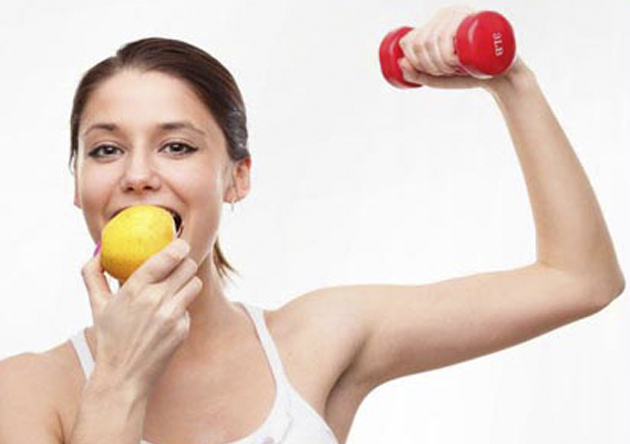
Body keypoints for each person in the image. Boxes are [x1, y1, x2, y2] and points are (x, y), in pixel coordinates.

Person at [0, 5, 624, 444]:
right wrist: (117, 379)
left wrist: (510, 82)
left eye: (177, 146)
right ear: (79, 182)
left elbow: (580, 279)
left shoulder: (316, 342)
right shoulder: (26, 391)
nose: (137, 174)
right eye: (106, 150)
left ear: (237, 178)